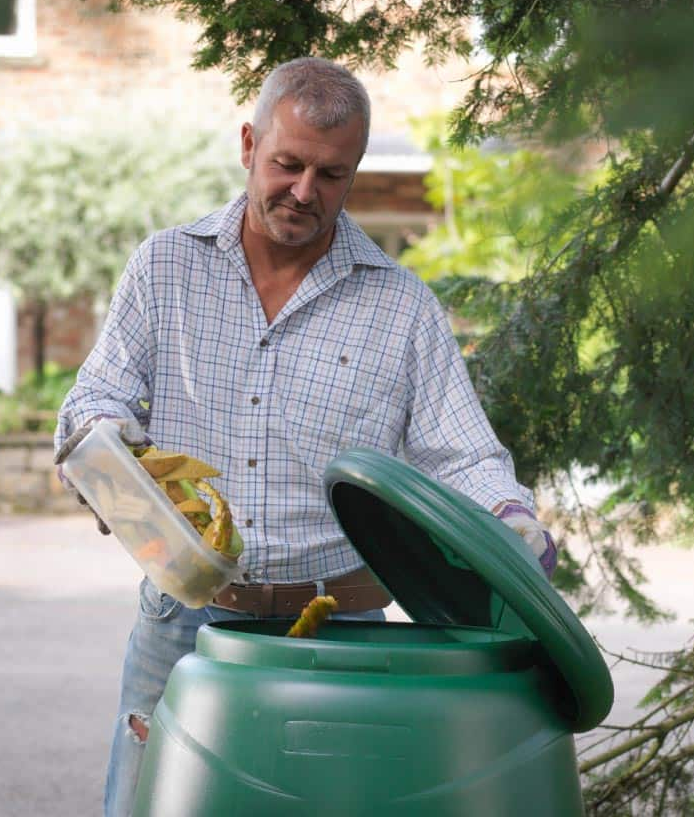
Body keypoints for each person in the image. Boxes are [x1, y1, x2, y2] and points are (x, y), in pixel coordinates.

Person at [54, 57, 556, 817]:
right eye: (288, 164)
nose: (304, 191)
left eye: (331, 174)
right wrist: (112, 456)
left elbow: (465, 457)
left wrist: (513, 523)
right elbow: (96, 399)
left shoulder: (402, 308)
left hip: (344, 633)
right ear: (249, 143)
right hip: (186, 619)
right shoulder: (165, 269)